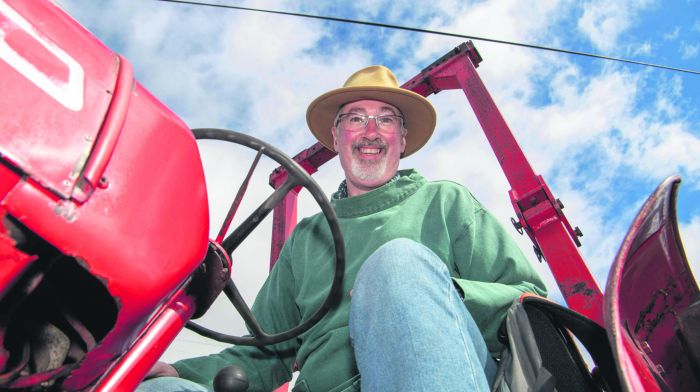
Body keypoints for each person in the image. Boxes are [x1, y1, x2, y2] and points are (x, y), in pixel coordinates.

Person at [139, 65, 547, 392]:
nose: (371, 131)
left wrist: (433, 292)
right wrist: (175, 371)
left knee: (395, 265)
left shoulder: (445, 202)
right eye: (356, 119)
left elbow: (528, 300)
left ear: (402, 138)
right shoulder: (306, 239)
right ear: (336, 137)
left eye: (386, 120)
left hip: (440, 372)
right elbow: (265, 355)